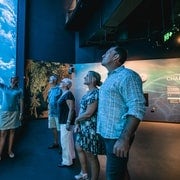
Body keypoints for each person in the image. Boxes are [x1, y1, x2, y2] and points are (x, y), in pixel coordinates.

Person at [97, 45, 146, 180]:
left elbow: (137, 107)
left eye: (107, 53)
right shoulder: (110, 78)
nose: (103, 55)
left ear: (116, 57)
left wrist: (124, 138)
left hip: (117, 137)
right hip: (107, 134)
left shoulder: (128, 76)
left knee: (113, 176)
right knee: (121, 171)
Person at [74, 71, 105, 180]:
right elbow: (83, 110)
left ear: (93, 80)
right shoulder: (88, 93)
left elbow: (89, 113)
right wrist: (78, 122)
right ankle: (84, 173)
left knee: (91, 156)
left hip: (90, 128)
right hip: (83, 126)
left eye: (87, 76)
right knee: (78, 147)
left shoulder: (95, 93)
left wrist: (76, 120)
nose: (85, 77)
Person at [0, 76, 23, 160]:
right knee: (3, 133)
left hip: (14, 113)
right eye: (12, 78)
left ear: (17, 80)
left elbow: (21, 102)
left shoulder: (19, 90)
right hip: (4, 113)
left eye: (15, 79)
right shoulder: (4, 87)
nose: (13, 80)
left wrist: (21, 113)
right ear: (10, 80)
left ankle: (9, 151)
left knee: (12, 131)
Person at [57, 78, 76, 167]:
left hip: (66, 121)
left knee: (65, 141)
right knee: (69, 140)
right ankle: (72, 156)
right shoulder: (64, 94)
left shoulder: (68, 94)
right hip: (64, 120)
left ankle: (67, 161)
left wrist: (68, 122)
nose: (61, 83)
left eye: (62, 82)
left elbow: (71, 109)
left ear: (67, 85)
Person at [47, 75, 62, 149]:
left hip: (58, 113)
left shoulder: (60, 89)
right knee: (53, 128)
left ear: (55, 80)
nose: (49, 80)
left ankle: (63, 146)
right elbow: (49, 100)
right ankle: (56, 143)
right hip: (51, 113)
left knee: (61, 129)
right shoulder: (50, 90)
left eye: (51, 79)